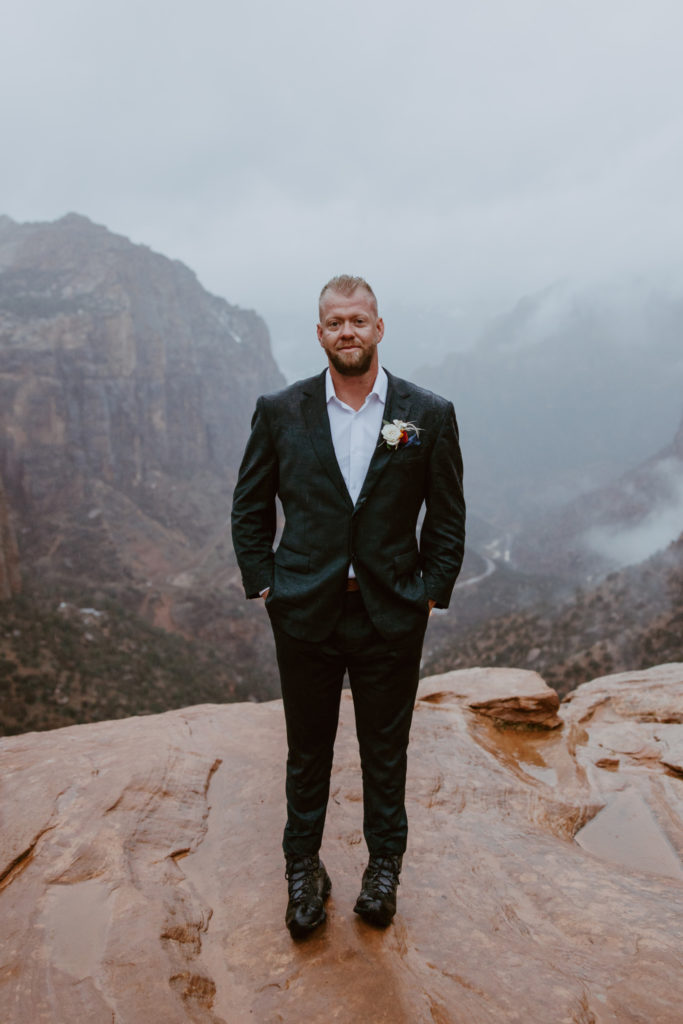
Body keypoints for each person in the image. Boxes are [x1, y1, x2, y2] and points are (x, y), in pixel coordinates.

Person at [231, 275, 465, 938]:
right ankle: (302, 870)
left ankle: (382, 869)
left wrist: (429, 595)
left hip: (390, 612)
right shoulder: (281, 410)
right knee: (307, 749)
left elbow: (445, 516)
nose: (347, 332)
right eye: (334, 322)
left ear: (378, 327)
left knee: (384, 749)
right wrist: (266, 586)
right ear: (319, 333)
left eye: (358, 320)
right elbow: (250, 506)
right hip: (305, 610)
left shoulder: (425, 413)